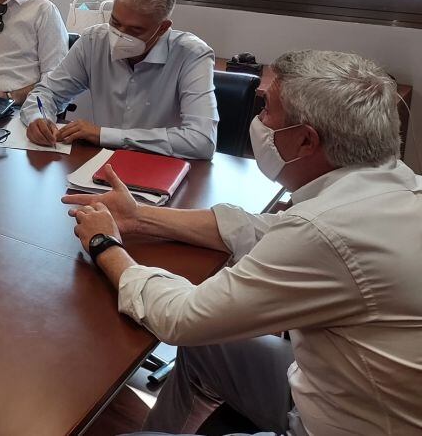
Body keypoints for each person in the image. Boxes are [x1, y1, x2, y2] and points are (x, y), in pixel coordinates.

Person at [64, 50, 422, 436]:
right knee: (206, 347)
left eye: (267, 110)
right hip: (341, 388)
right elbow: (264, 229)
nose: (259, 122)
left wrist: (104, 245)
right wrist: (141, 216)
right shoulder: (394, 189)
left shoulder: (324, 231)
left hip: (333, 422)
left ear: (305, 141)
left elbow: (180, 317)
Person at [22, 0, 217, 159]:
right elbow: (46, 93)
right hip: (97, 164)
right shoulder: (94, 41)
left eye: (136, 30)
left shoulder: (192, 55)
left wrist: (104, 135)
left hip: (161, 168)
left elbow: (201, 140)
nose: (120, 35)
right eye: (115, 23)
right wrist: (38, 118)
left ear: (162, 28)